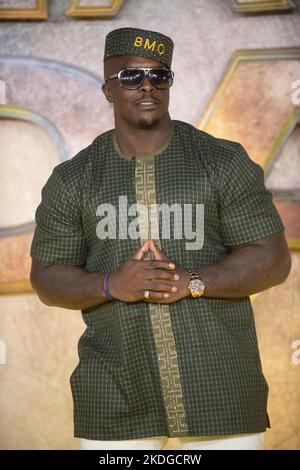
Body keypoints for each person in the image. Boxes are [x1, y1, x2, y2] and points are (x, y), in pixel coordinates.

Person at [30, 27, 291, 450]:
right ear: (108, 90)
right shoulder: (74, 179)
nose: (147, 85)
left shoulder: (222, 160)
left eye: (159, 76)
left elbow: (274, 260)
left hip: (219, 389)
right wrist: (110, 285)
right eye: (131, 77)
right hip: (115, 393)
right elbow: (45, 277)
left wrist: (191, 282)